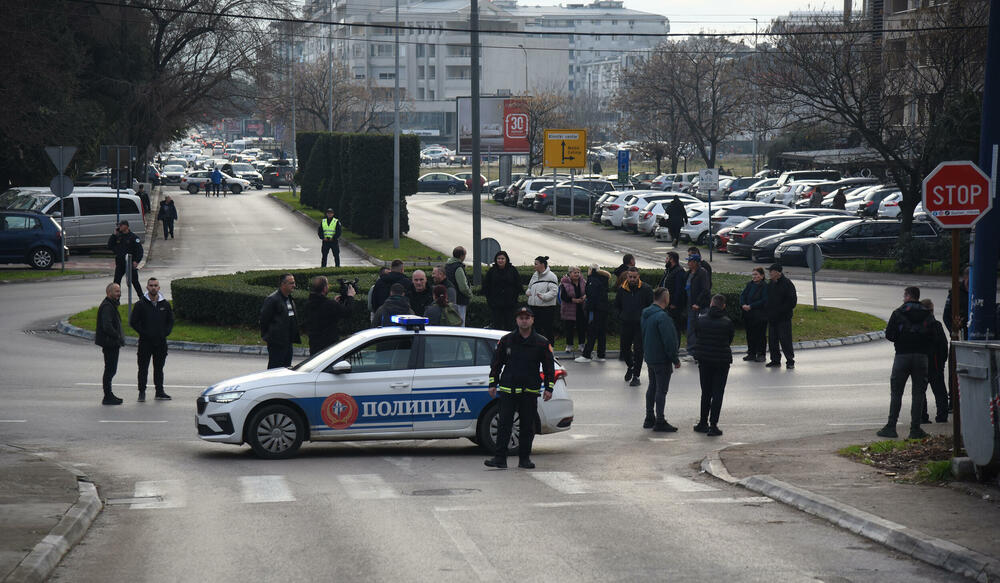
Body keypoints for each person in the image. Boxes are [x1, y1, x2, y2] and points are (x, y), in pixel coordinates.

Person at [484, 306, 555, 470]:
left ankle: (524, 459)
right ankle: (500, 459)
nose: (524, 320)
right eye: (521, 317)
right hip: (508, 390)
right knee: (504, 426)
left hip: (529, 391)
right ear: (516, 320)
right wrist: (493, 383)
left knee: (527, 427)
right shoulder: (506, 340)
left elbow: (548, 368)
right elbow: (496, 364)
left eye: (527, 317)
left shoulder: (541, 342)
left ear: (532, 320)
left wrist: (549, 388)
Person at [878, 286, 933, 440]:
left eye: (904, 295)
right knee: (918, 393)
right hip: (921, 357)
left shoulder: (898, 313)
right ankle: (915, 429)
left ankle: (891, 427)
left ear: (909, 296)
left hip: (902, 356)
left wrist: (901, 339)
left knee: (896, 392)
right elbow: (933, 335)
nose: (903, 298)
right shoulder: (928, 314)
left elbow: (889, 334)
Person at [693, 294, 735, 436]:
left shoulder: (701, 320)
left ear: (711, 304)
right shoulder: (727, 322)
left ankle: (702, 422)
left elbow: (697, 335)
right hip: (722, 361)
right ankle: (713, 425)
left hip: (704, 360)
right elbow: (729, 339)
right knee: (718, 393)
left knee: (705, 392)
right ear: (723, 306)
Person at [640, 287, 681, 431]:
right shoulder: (663, 317)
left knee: (652, 386)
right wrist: (675, 359)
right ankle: (660, 421)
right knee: (661, 390)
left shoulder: (646, 313)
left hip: (650, 356)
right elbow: (669, 341)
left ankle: (649, 417)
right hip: (661, 358)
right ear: (665, 299)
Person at [128, 277, 174, 401]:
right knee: (143, 368)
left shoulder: (165, 304)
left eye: (155, 285)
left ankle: (159, 392)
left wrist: (165, 333)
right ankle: (141, 392)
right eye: (151, 285)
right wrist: (144, 333)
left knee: (159, 368)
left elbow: (170, 321)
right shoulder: (140, 304)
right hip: (145, 343)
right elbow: (133, 322)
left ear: (159, 288)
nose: (153, 287)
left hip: (160, 343)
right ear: (147, 287)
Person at [615, 267, 653, 387]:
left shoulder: (646, 289)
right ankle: (630, 366)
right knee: (625, 349)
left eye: (634, 277)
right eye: (630, 277)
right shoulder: (622, 289)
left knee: (638, 351)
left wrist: (646, 319)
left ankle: (636, 376)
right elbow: (617, 305)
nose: (632, 279)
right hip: (626, 323)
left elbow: (651, 306)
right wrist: (620, 316)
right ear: (627, 277)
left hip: (640, 325)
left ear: (638, 277)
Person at [305, 275, 355, 355]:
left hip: (314, 344)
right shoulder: (329, 304)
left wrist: (334, 303)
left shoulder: (309, 303)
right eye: (327, 285)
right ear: (324, 288)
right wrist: (350, 297)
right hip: (328, 346)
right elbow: (347, 312)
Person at [260, 273, 301, 369]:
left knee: (286, 370)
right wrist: (268, 336)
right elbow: (264, 320)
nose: (294, 285)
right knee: (275, 370)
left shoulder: (289, 298)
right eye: (291, 283)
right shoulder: (272, 299)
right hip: (276, 343)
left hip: (288, 342)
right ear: (283, 284)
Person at [919, 298, 950, 423]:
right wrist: (942, 361)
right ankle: (942, 416)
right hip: (935, 363)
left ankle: (922, 416)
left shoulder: (917, 325)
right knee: (940, 391)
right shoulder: (936, 325)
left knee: (920, 390)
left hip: (921, 362)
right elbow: (943, 345)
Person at [95, 283, 125, 405]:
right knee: (110, 370)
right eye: (116, 291)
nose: (119, 294)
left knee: (111, 369)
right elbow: (107, 326)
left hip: (111, 343)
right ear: (109, 293)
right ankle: (107, 396)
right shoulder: (107, 306)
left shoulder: (111, 305)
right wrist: (117, 335)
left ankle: (109, 394)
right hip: (110, 343)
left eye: (119, 291)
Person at [576, 264, 611, 362]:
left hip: (595, 310)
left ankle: (586, 355)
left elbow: (592, 296)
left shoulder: (592, 280)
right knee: (601, 333)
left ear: (591, 270)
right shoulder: (603, 279)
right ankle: (601, 355)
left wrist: (588, 308)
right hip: (603, 309)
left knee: (592, 332)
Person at [764, 264, 797, 369]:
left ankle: (790, 360)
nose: (769, 273)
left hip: (783, 318)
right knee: (772, 341)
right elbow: (768, 300)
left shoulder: (787, 284)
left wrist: (780, 311)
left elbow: (792, 302)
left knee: (785, 340)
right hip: (772, 318)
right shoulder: (771, 284)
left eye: (771, 271)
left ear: (778, 272)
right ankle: (775, 360)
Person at [482, 250, 522, 331]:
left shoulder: (512, 270)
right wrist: (490, 301)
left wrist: (514, 299)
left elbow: (518, 285)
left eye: (502, 258)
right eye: (498, 258)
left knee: (509, 326)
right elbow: (486, 286)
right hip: (496, 305)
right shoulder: (492, 271)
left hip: (510, 304)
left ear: (506, 259)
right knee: (496, 326)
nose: (500, 260)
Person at [526, 255, 559, 346]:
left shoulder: (551, 276)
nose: (534, 266)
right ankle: (536, 346)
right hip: (534, 307)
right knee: (535, 328)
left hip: (546, 308)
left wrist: (544, 297)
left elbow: (554, 291)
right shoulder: (535, 275)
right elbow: (530, 287)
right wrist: (529, 292)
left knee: (547, 328)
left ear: (542, 265)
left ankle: (550, 347)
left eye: (536, 264)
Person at [107, 220, 144, 298]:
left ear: (126, 226)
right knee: (116, 282)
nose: (119, 227)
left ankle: (142, 298)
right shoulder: (118, 236)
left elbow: (140, 251)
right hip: (120, 263)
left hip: (130, 263)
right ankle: (115, 299)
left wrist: (136, 261)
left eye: (120, 226)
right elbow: (109, 246)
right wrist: (114, 235)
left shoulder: (133, 237)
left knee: (135, 282)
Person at [740, 267, 769, 362]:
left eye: (756, 274)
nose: (754, 277)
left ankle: (761, 354)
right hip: (749, 315)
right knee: (750, 335)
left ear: (762, 276)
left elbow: (764, 300)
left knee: (760, 335)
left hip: (760, 315)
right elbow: (743, 295)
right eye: (753, 274)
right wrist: (743, 304)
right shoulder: (750, 284)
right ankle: (751, 353)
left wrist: (751, 306)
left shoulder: (765, 286)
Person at [684, 255, 711, 352]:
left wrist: (698, 303)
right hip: (690, 305)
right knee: (690, 327)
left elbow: (705, 290)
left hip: (699, 306)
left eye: (690, 261)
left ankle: (700, 349)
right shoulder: (688, 273)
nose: (688, 263)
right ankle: (691, 349)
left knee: (700, 328)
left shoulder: (702, 273)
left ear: (695, 262)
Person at [559, 266, 587, 354]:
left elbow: (587, 291)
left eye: (578, 272)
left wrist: (584, 297)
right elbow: (563, 296)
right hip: (569, 308)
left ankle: (581, 345)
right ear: (570, 273)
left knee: (581, 327)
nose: (577, 274)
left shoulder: (583, 282)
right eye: (575, 272)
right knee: (569, 328)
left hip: (581, 308)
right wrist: (574, 300)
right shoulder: (565, 283)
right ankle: (569, 345)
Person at [659, 252, 686, 337]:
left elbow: (679, 289)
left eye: (667, 258)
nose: (665, 260)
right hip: (664, 303)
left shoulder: (679, 271)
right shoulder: (668, 270)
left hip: (673, 306)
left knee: (674, 327)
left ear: (672, 260)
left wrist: (674, 303)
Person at [445, 246, 473, 325]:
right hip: (460, 300)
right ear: (461, 256)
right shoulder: (458, 267)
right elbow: (463, 286)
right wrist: (470, 294)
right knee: (460, 323)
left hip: (450, 299)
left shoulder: (447, 265)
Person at [943, 265, 969, 339]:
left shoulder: (979, 291)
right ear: (964, 277)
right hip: (959, 334)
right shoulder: (955, 292)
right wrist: (953, 332)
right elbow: (946, 316)